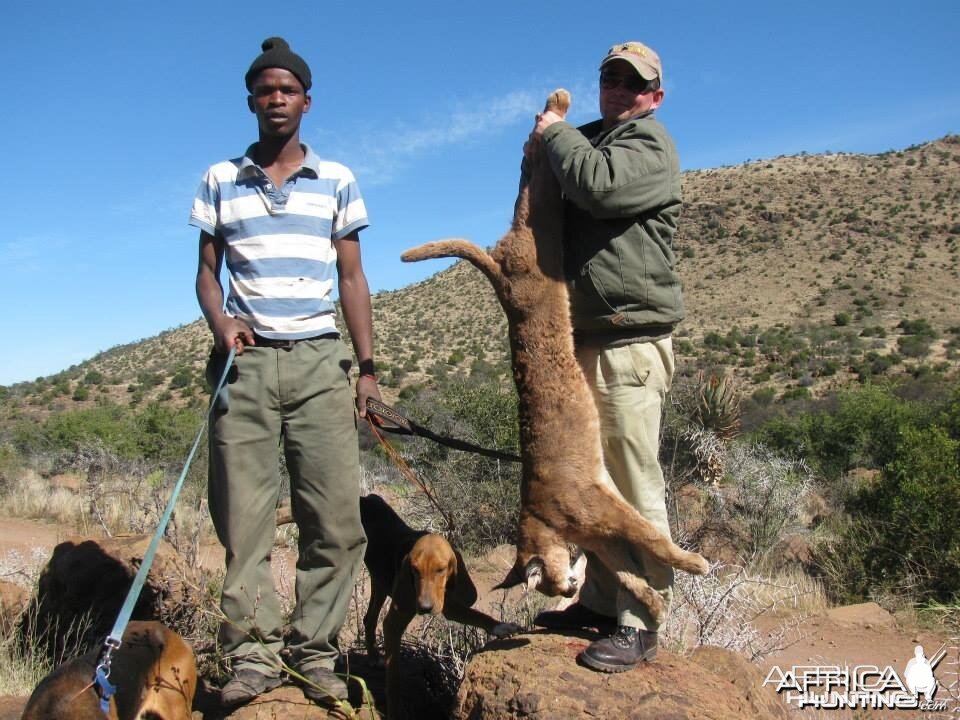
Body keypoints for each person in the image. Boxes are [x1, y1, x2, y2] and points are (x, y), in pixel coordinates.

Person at [190, 37, 380, 706]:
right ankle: (251, 657)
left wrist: (367, 369)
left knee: (333, 520)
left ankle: (315, 652)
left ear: (306, 101)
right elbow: (207, 276)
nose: (277, 99)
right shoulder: (220, 178)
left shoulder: (337, 179)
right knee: (243, 523)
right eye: (265, 89)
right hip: (243, 364)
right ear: (251, 100)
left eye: (288, 89)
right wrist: (221, 323)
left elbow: (353, 278)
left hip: (319, 361)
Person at [528, 41, 685, 672]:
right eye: (610, 79)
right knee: (590, 484)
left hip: (628, 343)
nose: (619, 90)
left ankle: (643, 618)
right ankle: (599, 597)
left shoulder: (647, 146)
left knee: (629, 479)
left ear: (654, 95)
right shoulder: (592, 141)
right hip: (587, 339)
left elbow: (597, 189)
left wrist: (557, 135)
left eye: (633, 83)